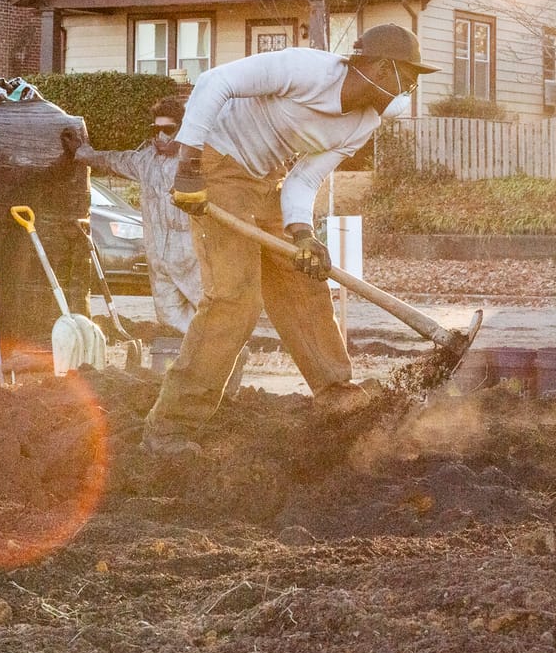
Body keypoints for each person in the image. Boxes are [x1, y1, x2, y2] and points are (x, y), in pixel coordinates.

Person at [137, 24, 432, 455]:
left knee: (304, 279)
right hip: (217, 165)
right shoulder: (305, 68)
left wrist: (303, 233)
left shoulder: (363, 124)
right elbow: (213, 82)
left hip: (264, 179)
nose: (411, 89)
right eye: (408, 77)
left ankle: (335, 394)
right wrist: (190, 162)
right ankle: (169, 428)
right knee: (235, 298)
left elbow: (305, 177)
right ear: (378, 68)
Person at [77, 95, 202, 334]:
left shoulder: (195, 160)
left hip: (192, 253)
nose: (161, 135)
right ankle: (186, 358)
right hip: (157, 253)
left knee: (207, 308)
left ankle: (220, 355)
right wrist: (82, 152)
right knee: (169, 315)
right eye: (156, 129)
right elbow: (114, 160)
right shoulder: (146, 160)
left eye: (168, 129)